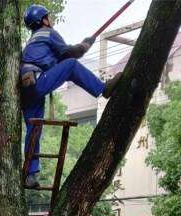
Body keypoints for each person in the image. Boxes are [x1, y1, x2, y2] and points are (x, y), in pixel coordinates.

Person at [20, 4, 121, 188]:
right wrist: (85, 44)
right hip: (38, 81)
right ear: (43, 20)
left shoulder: (33, 41)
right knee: (72, 65)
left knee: (33, 129)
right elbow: (70, 54)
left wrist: (83, 45)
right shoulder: (48, 32)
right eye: (48, 17)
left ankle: (30, 174)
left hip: (26, 87)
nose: (50, 20)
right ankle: (102, 89)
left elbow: (57, 59)